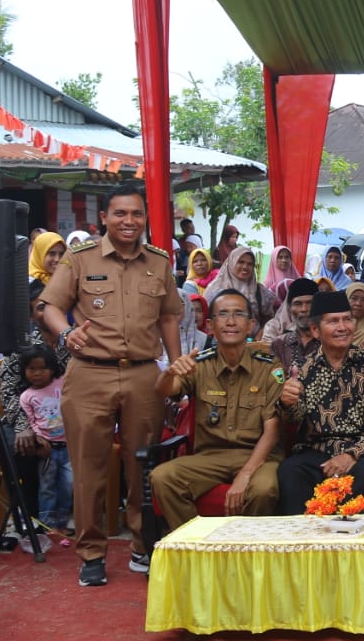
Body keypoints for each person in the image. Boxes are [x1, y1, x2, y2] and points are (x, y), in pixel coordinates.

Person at [40, 183, 183, 587]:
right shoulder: (80, 258)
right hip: (89, 372)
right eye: (120, 214)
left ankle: (142, 545)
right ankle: (92, 553)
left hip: (143, 374)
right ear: (104, 217)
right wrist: (66, 334)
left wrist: (175, 369)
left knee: (142, 464)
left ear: (144, 219)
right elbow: (50, 305)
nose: (129, 221)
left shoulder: (158, 262)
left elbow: (169, 317)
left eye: (136, 214)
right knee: (89, 467)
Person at [151, 290, 285, 530]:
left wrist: (245, 475)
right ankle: (197, 547)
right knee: (162, 477)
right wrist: (168, 372)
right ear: (211, 325)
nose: (231, 321)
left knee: (264, 489)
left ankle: (245, 553)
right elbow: (165, 390)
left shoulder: (268, 368)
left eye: (238, 314)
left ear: (251, 324)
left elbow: (272, 429)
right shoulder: (200, 364)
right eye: (223, 314)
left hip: (257, 457)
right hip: (210, 457)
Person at [276, 291, 364, 514]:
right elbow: (295, 419)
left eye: (347, 319)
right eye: (333, 321)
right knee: (290, 471)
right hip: (317, 452)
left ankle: (354, 546)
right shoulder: (303, 369)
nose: (343, 327)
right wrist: (286, 403)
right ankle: (304, 544)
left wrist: (351, 454)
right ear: (315, 330)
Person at [18, 344, 71, 532]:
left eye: (42, 368)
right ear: (24, 370)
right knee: (47, 486)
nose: (37, 373)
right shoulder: (26, 396)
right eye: (32, 369)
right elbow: (31, 421)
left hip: (68, 446)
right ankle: (48, 524)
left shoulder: (62, 383)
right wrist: (39, 438)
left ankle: (62, 520)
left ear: (52, 369)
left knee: (68, 484)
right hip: (47, 449)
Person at [205, 246, 279, 331]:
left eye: (250, 264)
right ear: (232, 263)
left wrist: (262, 332)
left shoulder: (259, 290)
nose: (245, 267)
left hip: (254, 342)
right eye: (240, 262)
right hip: (222, 340)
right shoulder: (215, 289)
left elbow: (269, 317)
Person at [269, 278, 320, 371]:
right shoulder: (279, 344)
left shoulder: (329, 342)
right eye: (298, 303)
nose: (304, 309)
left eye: (310, 303)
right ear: (289, 308)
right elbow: (273, 375)